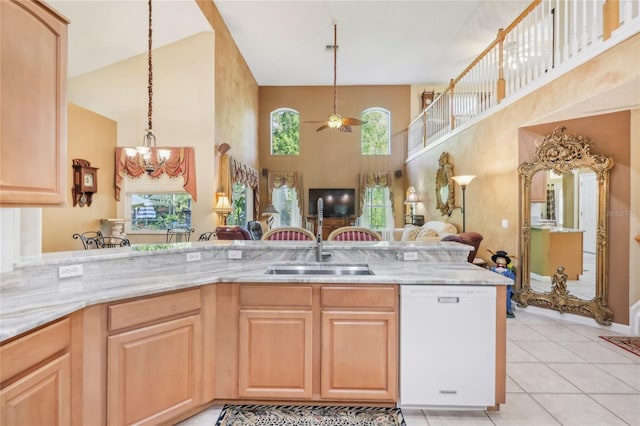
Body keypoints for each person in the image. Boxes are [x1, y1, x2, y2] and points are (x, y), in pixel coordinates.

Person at [489, 250, 516, 318]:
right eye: (499, 259)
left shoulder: (508, 272)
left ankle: (508, 309)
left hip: (506, 287)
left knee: (507, 294)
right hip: (495, 286)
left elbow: (512, 279)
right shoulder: (493, 270)